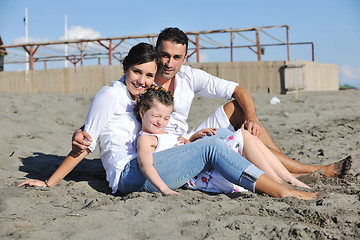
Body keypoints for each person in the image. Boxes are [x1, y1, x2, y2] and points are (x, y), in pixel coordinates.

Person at [18, 42, 317, 200]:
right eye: (136, 72)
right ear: (125, 68)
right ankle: (283, 190)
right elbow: (84, 144)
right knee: (212, 148)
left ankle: (282, 181)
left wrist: (187, 141)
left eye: (149, 75)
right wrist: (48, 182)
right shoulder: (110, 95)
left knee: (216, 143)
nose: (142, 80)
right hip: (129, 176)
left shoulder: (141, 99)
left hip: (151, 164)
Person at [72, 27, 351, 179]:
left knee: (242, 113)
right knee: (241, 138)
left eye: (177, 57)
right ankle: (313, 170)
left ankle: (287, 165)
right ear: (156, 53)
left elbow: (239, 89)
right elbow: (108, 107)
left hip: (190, 135)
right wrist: (80, 130)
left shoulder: (190, 76)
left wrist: (252, 117)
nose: (169, 63)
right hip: (166, 148)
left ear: (185, 58)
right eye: (164, 55)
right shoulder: (141, 80)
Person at [133, 85, 311, 196]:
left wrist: (194, 138)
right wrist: (164, 190)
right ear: (142, 113)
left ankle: (287, 178)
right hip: (196, 175)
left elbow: (182, 149)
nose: (160, 122)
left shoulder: (164, 134)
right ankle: (281, 182)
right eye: (156, 116)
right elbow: (146, 165)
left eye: (165, 118)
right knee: (242, 137)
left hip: (199, 164)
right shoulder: (146, 139)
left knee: (244, 136)